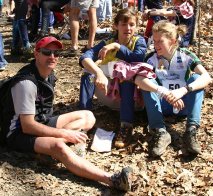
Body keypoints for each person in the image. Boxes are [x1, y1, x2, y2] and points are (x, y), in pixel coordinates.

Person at [1, 36, 133, 191]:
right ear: (36, 54)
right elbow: (27, 126)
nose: (52, 57)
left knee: (87, 116)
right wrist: (63, 134)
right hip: (17, 133)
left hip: (41, 121)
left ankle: (48, 152)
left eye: (56, 53)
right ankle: (112, 180)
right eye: (46, 52)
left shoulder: (48, 74)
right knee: (59, 145)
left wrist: (61, 133)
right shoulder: (26, 83)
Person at [135, 21, 212, 157]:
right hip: (162, 105)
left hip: (183, 104)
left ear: (173, 41)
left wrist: (183, 90)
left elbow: (207, 77)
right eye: (154, 41)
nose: (155, 45)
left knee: (196, 79)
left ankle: (191, 131)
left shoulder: (185, 55)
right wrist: (163, 92)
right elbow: (138, 79)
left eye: (160, 41)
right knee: (147, 82)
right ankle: (160, 131)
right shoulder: (151, 58)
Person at [79, 8, 149, 149]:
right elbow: (84, 57)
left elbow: (137, 57)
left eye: (131, 24)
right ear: (116, 26)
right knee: (88, 74)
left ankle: (126, 126)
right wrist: (98, 73)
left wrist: (116, 46)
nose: (128, 28)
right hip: (111, 94)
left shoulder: (139, 41)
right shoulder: (107, 43)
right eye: (123, 24)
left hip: (133, 99)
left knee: (125, 76)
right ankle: (83, 119)